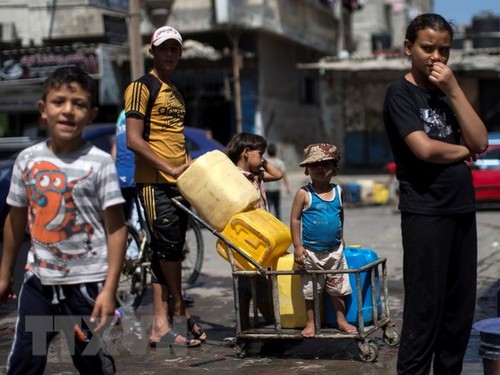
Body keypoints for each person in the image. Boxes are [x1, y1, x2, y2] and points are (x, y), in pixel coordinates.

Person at [0, 66, 127, 374]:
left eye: (79, 104)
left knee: (91, 362)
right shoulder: (27, 160)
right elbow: (15, 221)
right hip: (38, 283)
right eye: (59, 102)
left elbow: (116, 228)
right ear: (43, 109)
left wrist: (109, 290)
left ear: (92, 113)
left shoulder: (99, 164)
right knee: (25, 361)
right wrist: (5, 276)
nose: (68, 111)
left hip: (85, 287)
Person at [383, 13, 488, 374]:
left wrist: (454, 90)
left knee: (458, 315)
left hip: (462, 211)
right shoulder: (400, 93)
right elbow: (424, 149)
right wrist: (462, 151)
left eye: (444, 50)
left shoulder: (448, 95)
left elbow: (481, 140)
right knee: (424, 313)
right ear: (409, 48)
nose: (436, 57)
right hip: (425, 214)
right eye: (428, 48)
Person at [124, 25, 204, 348]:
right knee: (169, 248)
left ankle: (159, 325)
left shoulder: (176, 93)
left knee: (167, 253)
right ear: (152, 52)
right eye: (164, 49)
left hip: (178, 184)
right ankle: (179, 307)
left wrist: (188, 173)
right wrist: (169, 168)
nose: (170, 54)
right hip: (154, 182)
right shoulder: (141, 87)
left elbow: (177, 140)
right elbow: (133, 139)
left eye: (175, 49)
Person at [290, 143, 357, 338]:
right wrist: (298, 246)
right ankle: (311, 323)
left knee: (337, 289)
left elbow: (340, 214)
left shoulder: (338, 192)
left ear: (334, 169)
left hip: (334, 251)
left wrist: (342, 236)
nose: (320, 169)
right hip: (310, 251)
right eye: (314, 165)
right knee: (311, 292)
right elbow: (295, 219)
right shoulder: (304, 193)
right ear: (306, 170)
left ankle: (341, 320)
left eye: (326, 164)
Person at [225, 132, 283, 331]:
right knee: (249, 283)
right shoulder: (232, 177)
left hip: (260, 238)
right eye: (260, 154)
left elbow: (278, 174)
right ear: (246, 152)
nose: (262, 159)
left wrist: (261, 161)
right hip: (245, 238)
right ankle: (260, 325)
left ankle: (252, 326)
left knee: (253, 283)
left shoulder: (256, 175)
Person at [265, 143, 291, 220]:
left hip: (267, 189)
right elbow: (284, 176)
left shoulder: (265, 163)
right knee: (277, 208)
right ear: (275, 152)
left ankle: (268, 224)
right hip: (276, 189)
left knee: (268, 209)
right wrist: (287, 187)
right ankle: (279, 223)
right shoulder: (280, 162)